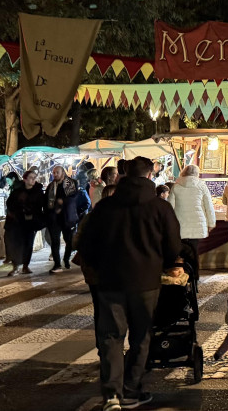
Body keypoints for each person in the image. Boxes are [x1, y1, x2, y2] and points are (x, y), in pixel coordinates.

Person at [77, 156, 184, 411]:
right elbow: (173, 245)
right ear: (149, 176)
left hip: (110, 281)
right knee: (141, 336)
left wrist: (96, 265)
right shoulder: (160, 208)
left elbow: (86, 243)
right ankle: (130, 390)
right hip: (146, 282)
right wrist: (169, 263)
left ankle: (112, 394)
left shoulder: (105, 208)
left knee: (111, 336)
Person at [169, 164, 215, 280]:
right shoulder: (201, 186)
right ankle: (195, 276)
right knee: (194, 250)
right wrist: (211, 223)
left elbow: (170, 207)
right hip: (197, 224)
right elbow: (208, 206)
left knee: (181, 252)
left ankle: (184, 275)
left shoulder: (176, 186)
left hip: (180, 225)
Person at [46, 165, 89, 273]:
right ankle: (57, 264)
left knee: (69, 241)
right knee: (55, 241)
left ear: (63, 173)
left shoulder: (72, 183)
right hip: (55, 218)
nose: (55, 174)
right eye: (54, 172)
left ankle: (66, 259)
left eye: (57, 172)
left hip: (67, 217)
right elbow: (46, 200)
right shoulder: (51, 186)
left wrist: (63, 201)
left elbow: (74, 197)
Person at [4, 170, 45, 276]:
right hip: (18, 222)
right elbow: (9, 203)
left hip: (31, 222)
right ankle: (15, 266)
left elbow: (41, 205)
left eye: (34, 177)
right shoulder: (17, 191)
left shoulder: (38, 191)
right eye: (31, 177)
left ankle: (25, 266)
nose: (33, 180)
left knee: (28, 244)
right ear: (25, 179)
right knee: (17, 244)